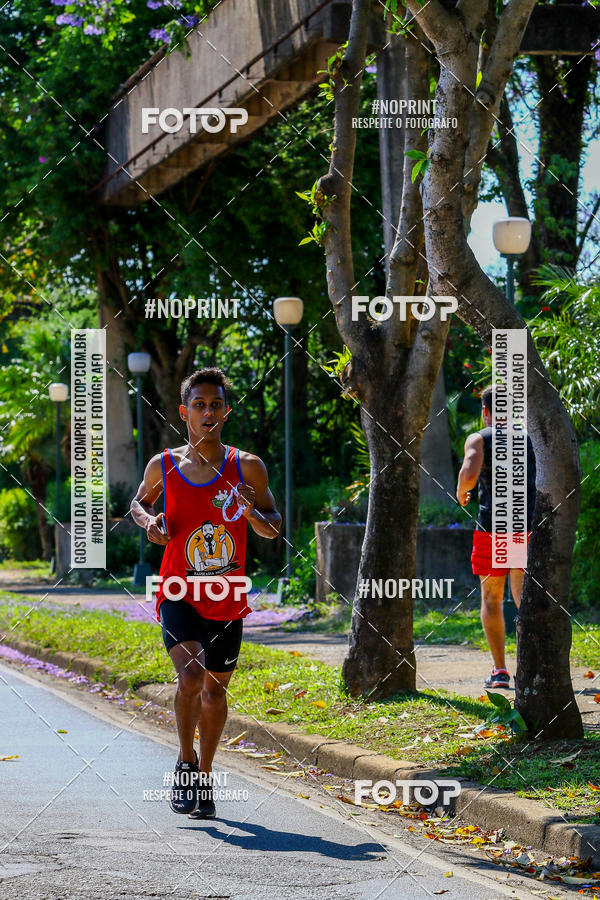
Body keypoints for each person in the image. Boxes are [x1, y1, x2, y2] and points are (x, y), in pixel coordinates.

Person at [131, 367, 281, 818]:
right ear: (185, 412)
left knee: (216, 692)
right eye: (199, 405)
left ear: (226, 411)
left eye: (216, 405)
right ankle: (184, 762)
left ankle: (205, 776)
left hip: (227, 593)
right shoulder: (165, 465)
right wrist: (150, 524)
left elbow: (274, 527)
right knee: (191, 675)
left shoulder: (247, 466)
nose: (208, 412)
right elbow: (138, 503)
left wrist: (252, 513)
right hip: (177, 589)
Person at [456, 385, 536, 689]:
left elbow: (469, 471)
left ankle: (500, 671)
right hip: (523, 527)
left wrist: (462, 492)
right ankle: (531, 669)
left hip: (491, 529)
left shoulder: (480, 437)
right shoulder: (528, 438)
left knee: (491, 597)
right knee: (522, 599)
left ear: (485, 411)